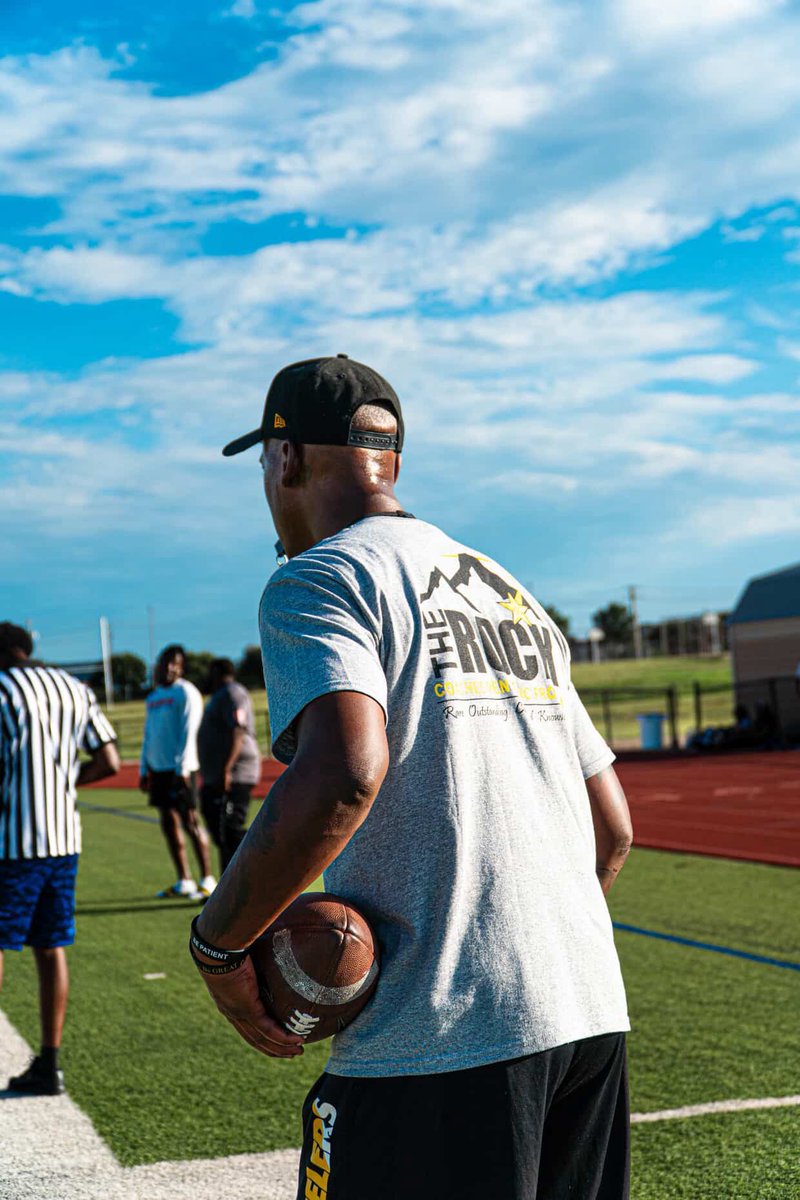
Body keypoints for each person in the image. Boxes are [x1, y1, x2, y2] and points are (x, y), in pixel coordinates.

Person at [190, 356, 633, 1200]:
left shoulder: (320, 577)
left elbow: (348, 771)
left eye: (263, 464)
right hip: (589, 1012)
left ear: (286, 458)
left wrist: (218, 944)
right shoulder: (508, 591)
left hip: (440, 1037)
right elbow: (611, 826)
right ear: (387, 459)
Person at [0, 621, 119, 1095]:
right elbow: (108, 759)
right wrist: (62, 785)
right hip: (63, 839)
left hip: (11, 841)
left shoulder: (3, 690)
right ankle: (49, 1062)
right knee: (51, 947)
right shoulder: (72, 688)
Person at [140, 644, 216, 900]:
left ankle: (208, 879)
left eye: (175, 663)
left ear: (181, 668)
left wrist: (183, 768)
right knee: (169, 824)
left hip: (182, 770)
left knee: (191, 821)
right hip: (159, 770)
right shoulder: (153, 697)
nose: (169, 667)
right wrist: (143, 768)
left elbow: (190, 731)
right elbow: (148, 735)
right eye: (165, 662)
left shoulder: (187, 692)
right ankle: (184, 880)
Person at [197, 658, 261, 872]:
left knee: (231, 829)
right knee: (221, 829)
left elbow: (238, 730)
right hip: (217, 774)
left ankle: (257, 866)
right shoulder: (218, 697)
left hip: (236, 772)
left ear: (217, 672)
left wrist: (227, 769)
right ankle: (229, 884)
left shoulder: (233, 693)